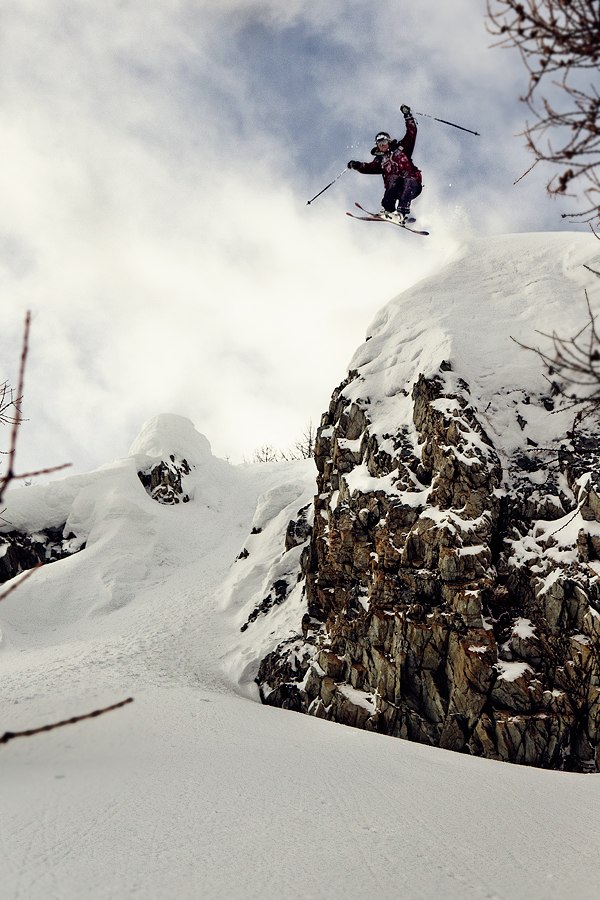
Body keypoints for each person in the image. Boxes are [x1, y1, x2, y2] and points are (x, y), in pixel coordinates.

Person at [347, 104, 422, 223]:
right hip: (396, 189)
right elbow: (368, 167)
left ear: (389, 141)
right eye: (380, 144)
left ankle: (401, 213)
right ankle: (387, 210)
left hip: (412, 185)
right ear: (377, 146)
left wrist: (407, 116)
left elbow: (411, 133)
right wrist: (356, 165)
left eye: (384, 142)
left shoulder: (402, 148)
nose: (382, 145)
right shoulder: (380, 160)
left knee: (407, 180)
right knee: (393, 179)